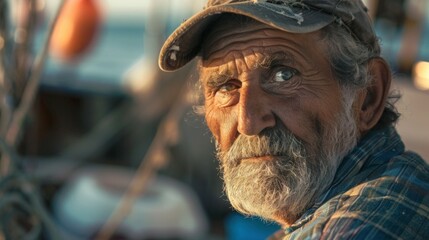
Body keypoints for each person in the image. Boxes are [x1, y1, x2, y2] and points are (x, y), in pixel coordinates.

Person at [158, 0, 429, 239]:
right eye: (226, 88)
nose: (248, 122)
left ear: (368, 96)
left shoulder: (362, 225)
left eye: (283, 76)